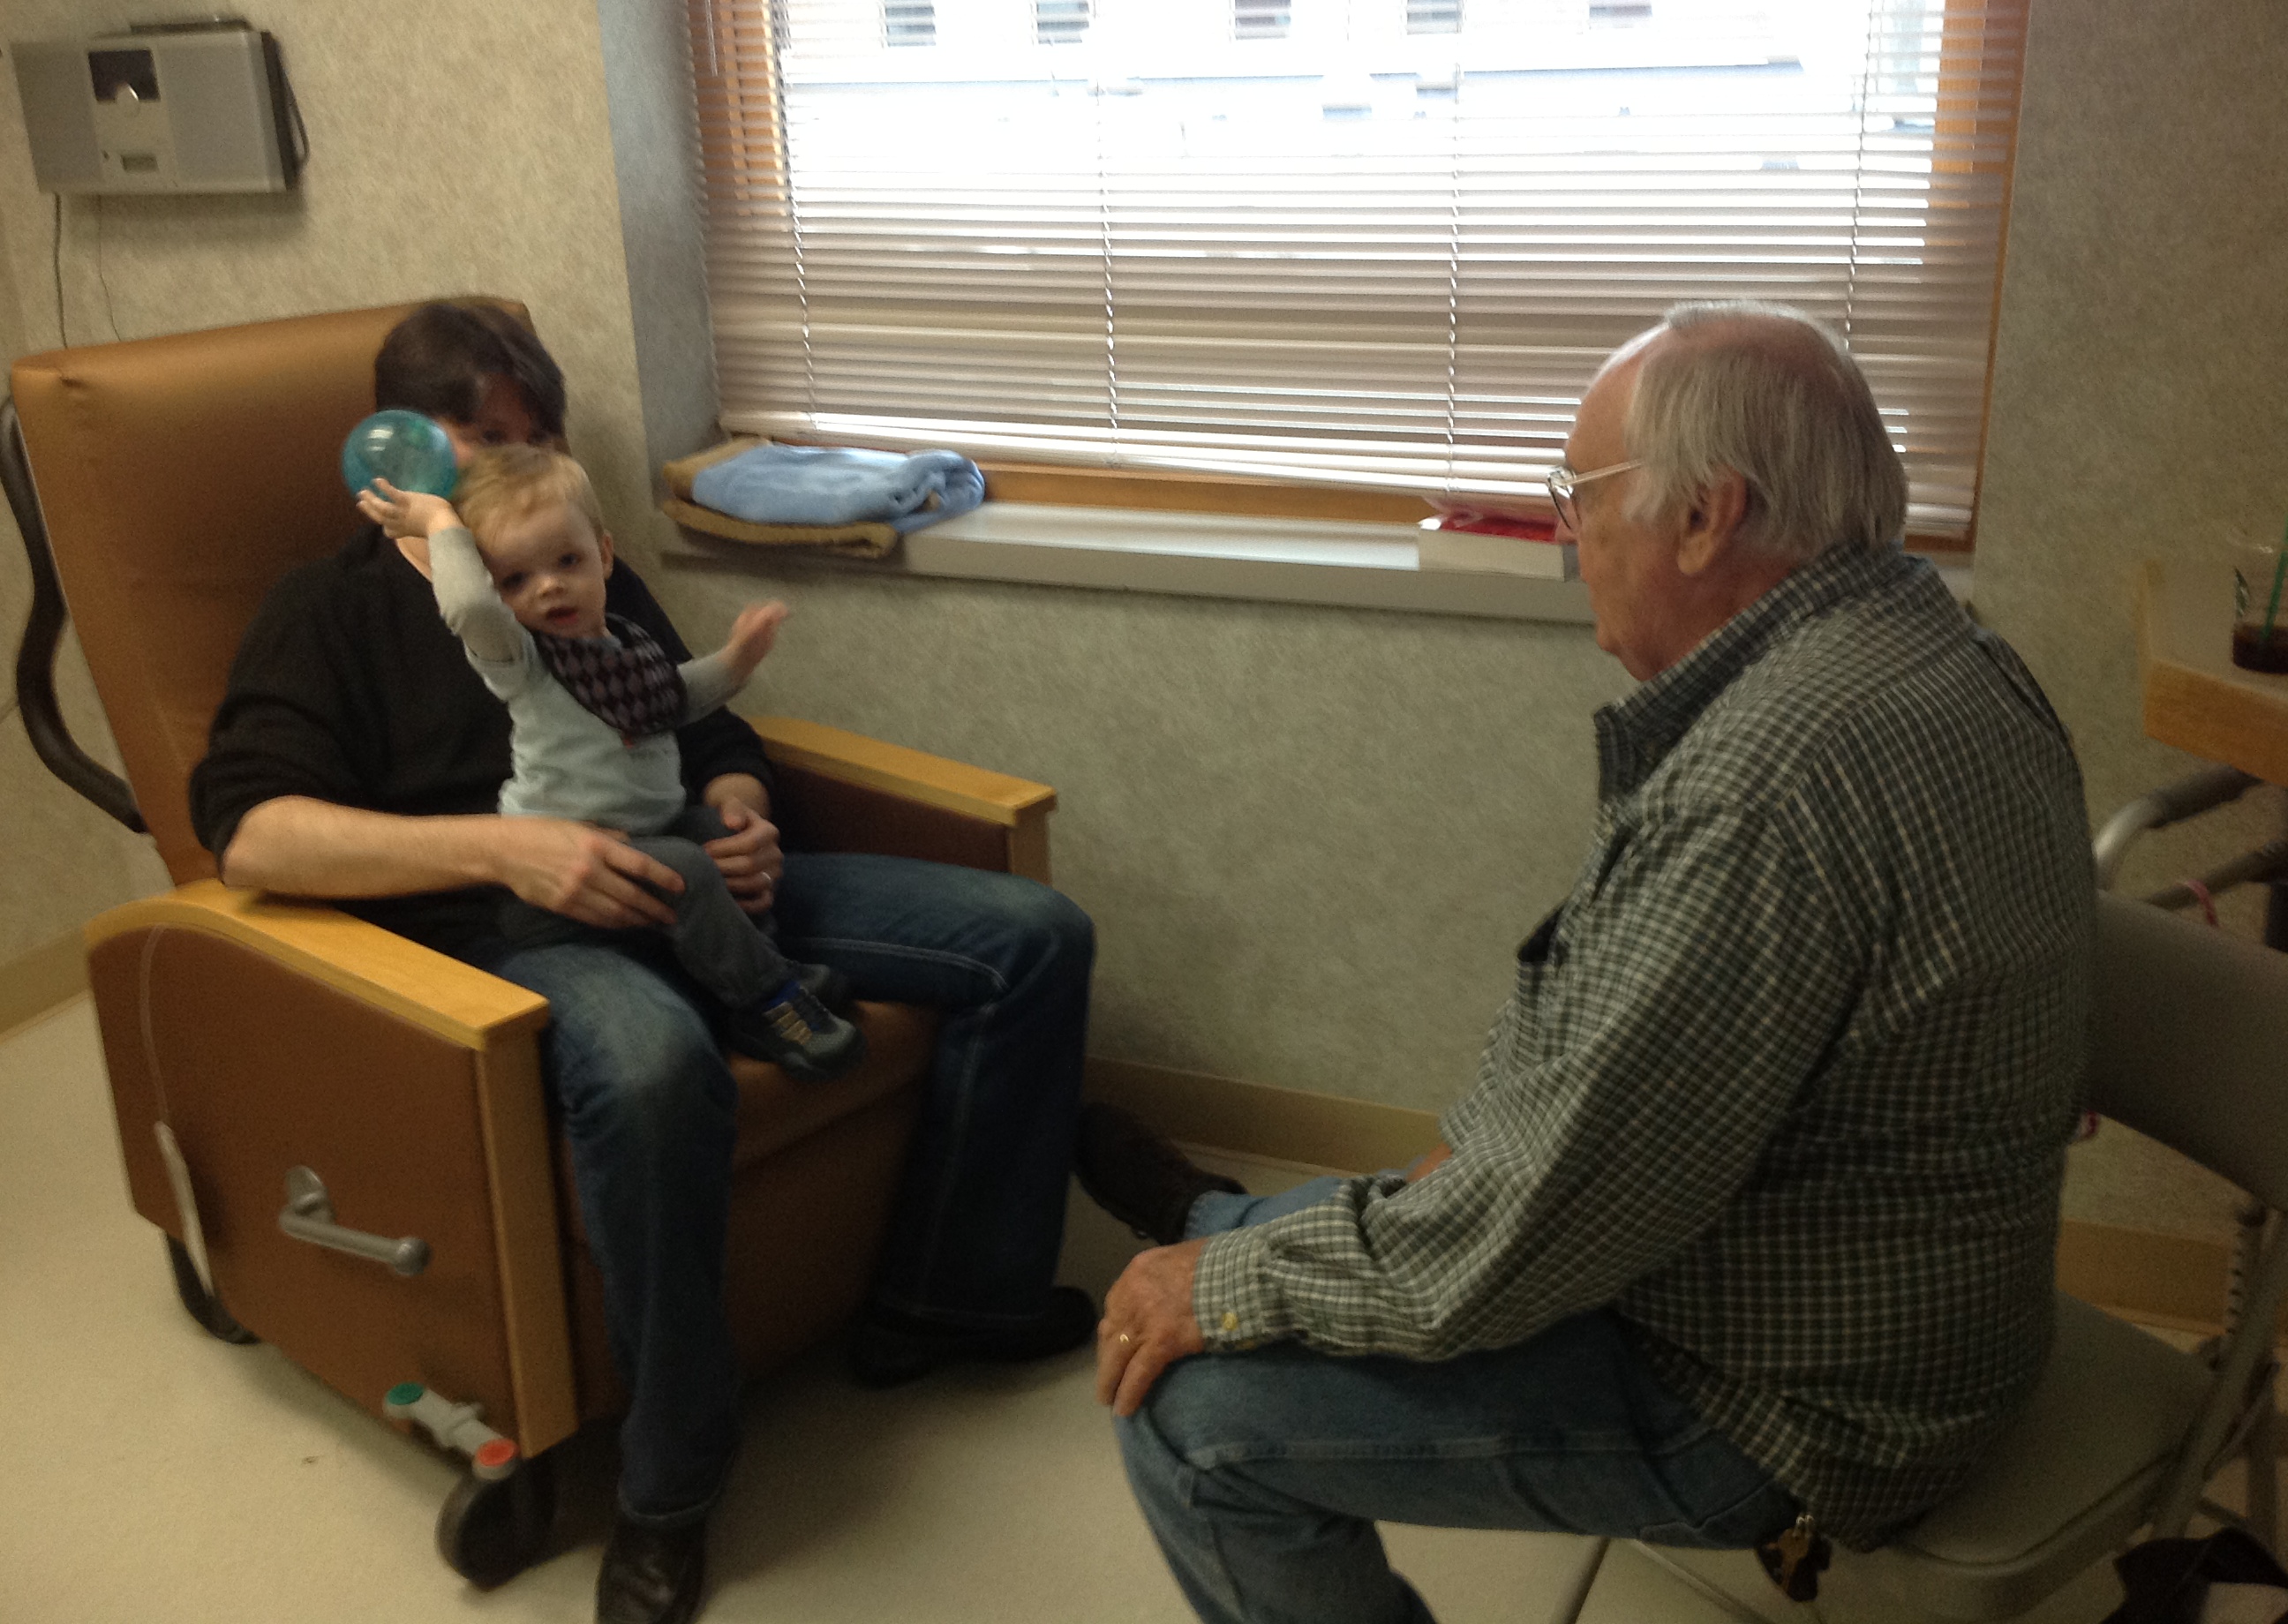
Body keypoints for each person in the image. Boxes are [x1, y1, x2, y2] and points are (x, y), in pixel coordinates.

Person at [1080, 300, 2094, 1624]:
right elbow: (1616, 1093)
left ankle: (1208, 1239)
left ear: (1705, 516)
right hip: (1927, 1309)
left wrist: (1230, 1292)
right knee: (1379, 1210)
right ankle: (1211, 1218)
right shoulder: (1950, 654)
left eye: (1584, 494)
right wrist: (1475, 1167)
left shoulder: (1765, 788)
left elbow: (1536, 1232)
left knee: (1191, 1413)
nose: (1571, 534)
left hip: (1796, 1402)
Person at [190, 300, 1097, 1624]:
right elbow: (250, 834)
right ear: (401, 450)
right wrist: (503, 853)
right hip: (504, 939)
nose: (514, 463)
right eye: (479, 439)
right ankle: (670, 1488)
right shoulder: (326, 612)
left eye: (536, 434)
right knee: (658, 1070)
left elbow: (699, 723)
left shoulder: (571, 559)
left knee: (1034, 938)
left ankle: (945, 1302)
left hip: (687, 871)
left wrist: (744, 814)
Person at [358, 444, 862, 1078]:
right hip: (558, 879)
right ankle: (765, 1001)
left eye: (567, 561)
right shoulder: (522, 660)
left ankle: (761, 962)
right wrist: (440, 523)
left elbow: (678, 697)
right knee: (687, 869)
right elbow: (469, 608)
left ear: (604, 554)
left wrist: (738, 658)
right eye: (515, 580)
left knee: (715, 835)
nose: (548, 586)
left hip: (648, 831)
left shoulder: (626, 645)